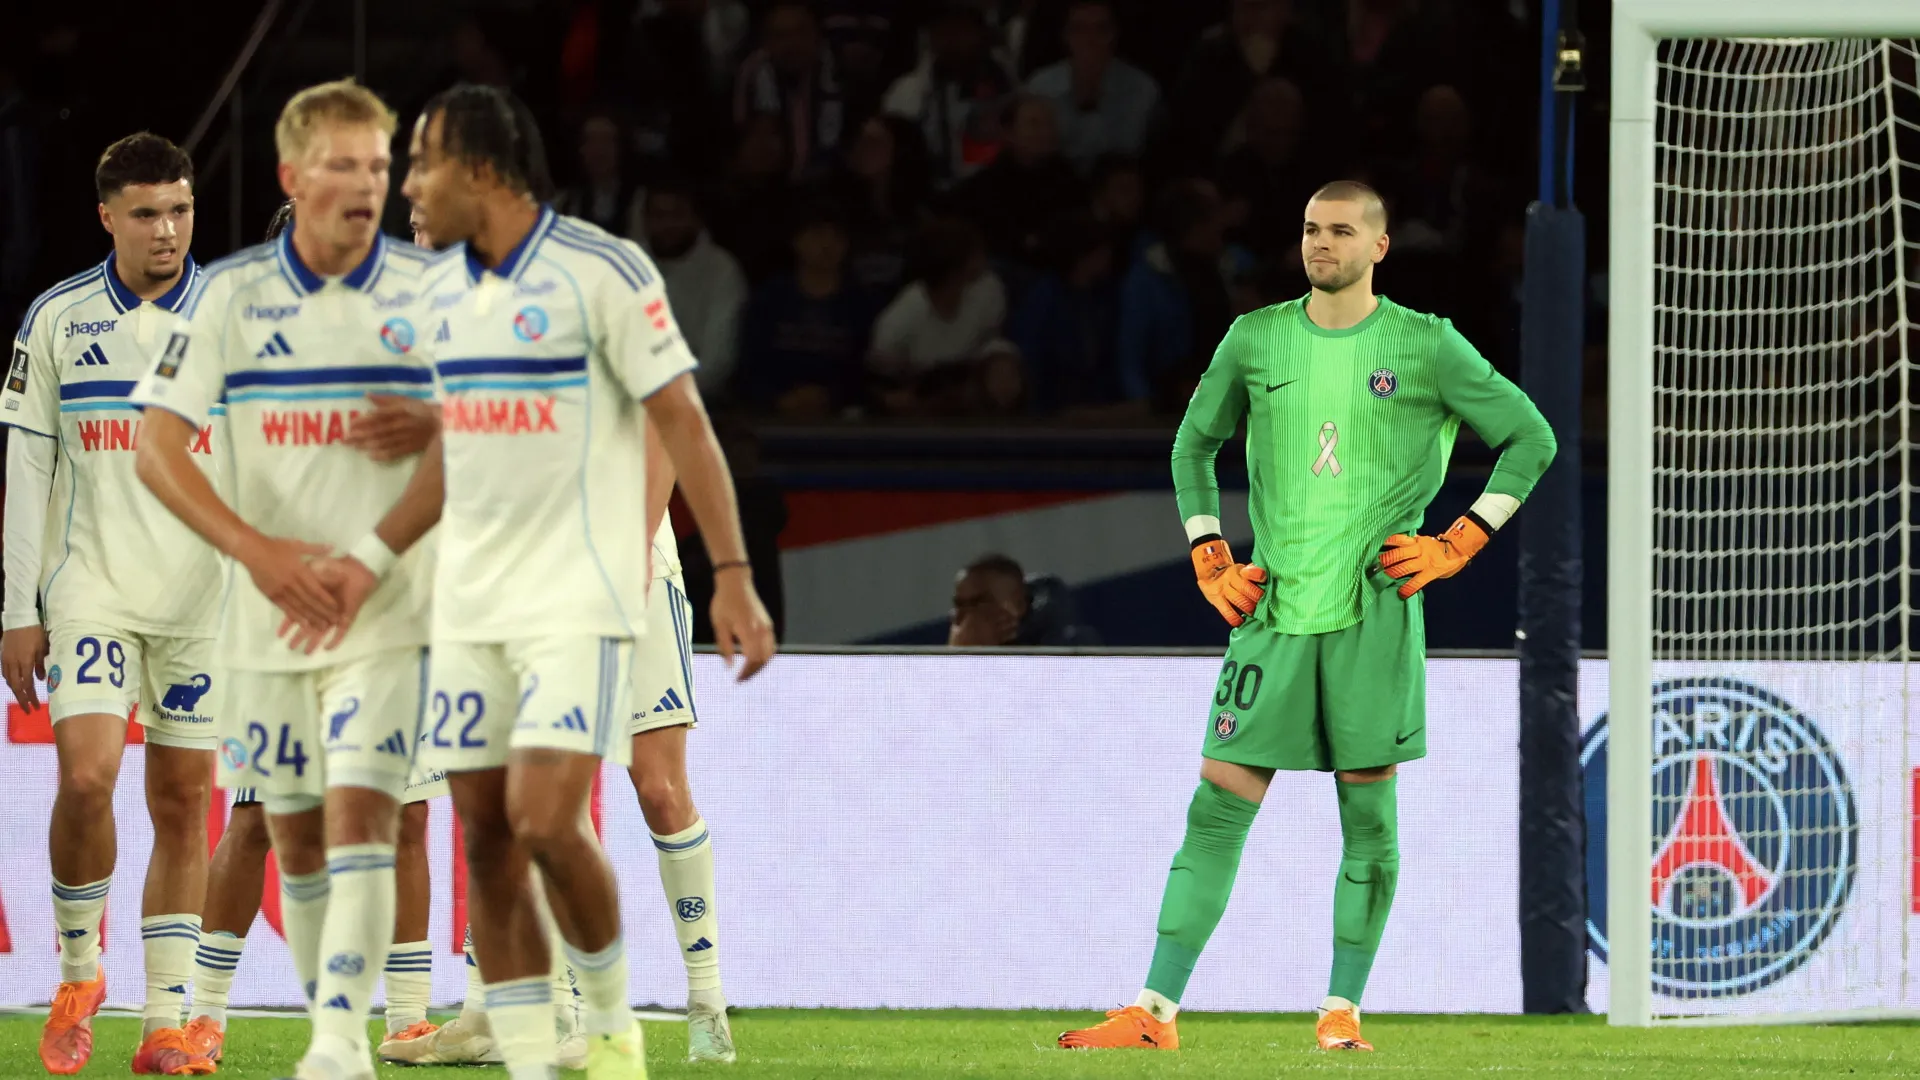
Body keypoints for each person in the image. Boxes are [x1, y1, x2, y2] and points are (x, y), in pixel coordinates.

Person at [310, 82, 774, 1079]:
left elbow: (675, 423)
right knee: (491, 815)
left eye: (423, 167)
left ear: (482, 170)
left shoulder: (600, 272)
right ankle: (519, 1022)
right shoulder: (433, 305)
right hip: (491, 586)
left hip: (605, 574)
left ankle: (661, 1013)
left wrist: (709, 567)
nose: (407, 193)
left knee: (609, 801)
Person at [1056, 180, 1555, 1053]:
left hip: (1374, 612)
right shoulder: (1256, 337)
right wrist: (1208, 551)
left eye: (1341, 231)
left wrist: (1460, 541)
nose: (1322, 244)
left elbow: (1532, 438)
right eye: (1311, 229)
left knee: (1367, 822)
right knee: (1216, 810)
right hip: (1272, 610)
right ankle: (1153, 1013)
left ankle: (1340, 1013)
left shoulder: (1427, 344)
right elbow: (1193, 444)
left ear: (1380, 247)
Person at [130, 79, 441, 1080]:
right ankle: (208, 1016)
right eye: (343, 168)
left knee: (397, 813)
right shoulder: (228, 313)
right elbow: (157, 450)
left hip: (391, 611)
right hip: (275, 616)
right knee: (271, 823)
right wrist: (259, 553)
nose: (365, 188)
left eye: (377, 169)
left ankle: (393, 1023)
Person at [2, 132, 220, 1078]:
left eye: (179, 210)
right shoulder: (58, 319)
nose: (166, 229)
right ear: (107, 217)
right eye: (145, 213)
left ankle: (165, 1023)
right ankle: (79, 968)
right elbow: (26, 467)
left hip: (203, 599)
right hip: (92, 587)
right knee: (87, 778)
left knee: (183, 801)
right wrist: (17, 608)